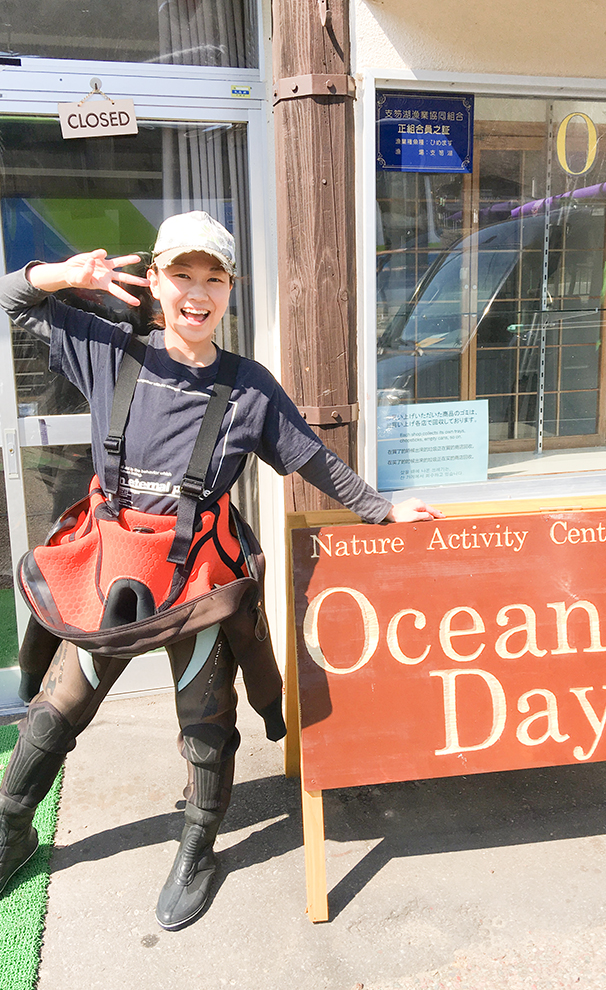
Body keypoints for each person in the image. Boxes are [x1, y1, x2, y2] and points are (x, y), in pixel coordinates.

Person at [0, 211, 441, 930]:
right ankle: (12, 830)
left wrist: (383, 509)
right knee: (56, 710)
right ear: (155, 281)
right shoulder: (108, 349)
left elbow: (313, 458)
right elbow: (12, 300)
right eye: (182, 274)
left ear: (230, 290)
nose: (197, 292)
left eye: (214, 278)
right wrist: (63, 275)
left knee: (205, 725)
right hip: (112, 566)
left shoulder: (249, 389)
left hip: (198, 578)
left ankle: (198, 848)